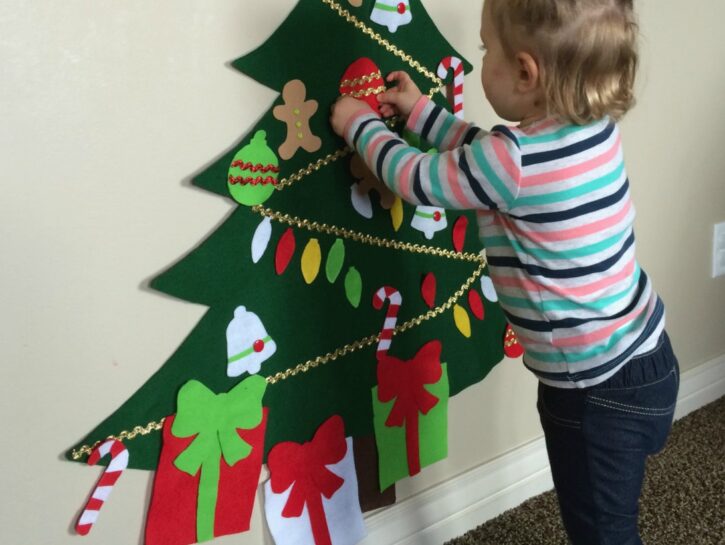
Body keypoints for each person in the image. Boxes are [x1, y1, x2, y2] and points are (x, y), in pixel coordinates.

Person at [330, 1, 679, 543]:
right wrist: (423, 114)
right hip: (647, 360)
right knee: (611, 518)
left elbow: (417, 179)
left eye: (485, 48)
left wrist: (362, 126)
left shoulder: (512, 161)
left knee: (602, 533)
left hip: (593, 392)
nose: (481, 59)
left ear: (524, 71)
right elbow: (485, 156)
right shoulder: (591, 129)